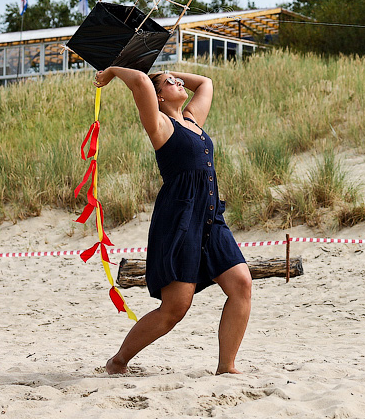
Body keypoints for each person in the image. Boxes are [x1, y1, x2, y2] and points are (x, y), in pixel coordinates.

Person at [93, 67, 252, 375]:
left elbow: (205, 83)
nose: (180, 83)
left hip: (210, 217)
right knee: (174, 309)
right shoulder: (160, 125)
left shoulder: (192, 119)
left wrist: (169, 72)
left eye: (179, 80)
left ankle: (226, 366)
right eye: (170, 83)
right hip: (180, 220)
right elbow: (140, 81)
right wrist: (112, 71)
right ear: (159, 95)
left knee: (241, 284)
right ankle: (118, 361)